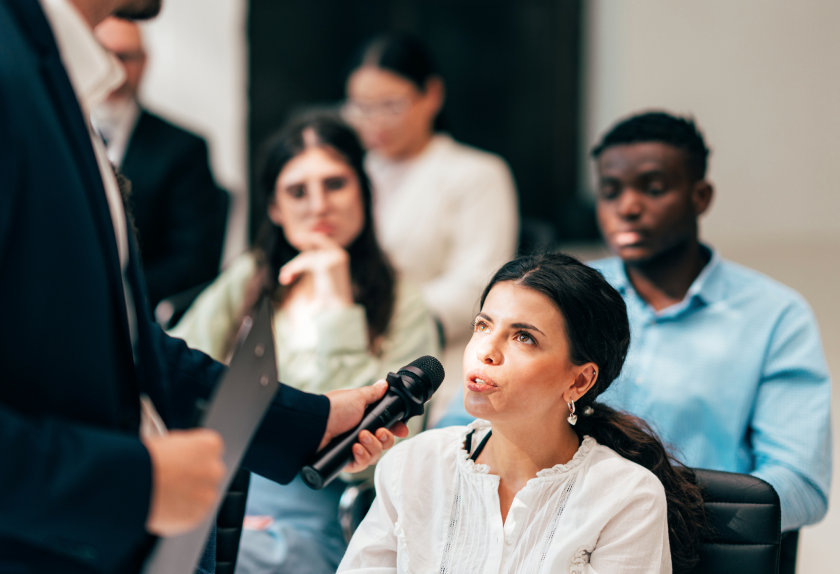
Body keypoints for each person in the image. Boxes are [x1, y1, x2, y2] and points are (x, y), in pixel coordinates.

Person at [0, 0, 404, 572]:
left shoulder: (51, 76)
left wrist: (308, 419)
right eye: (297, 190)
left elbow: (128, 346)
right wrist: (138, 483)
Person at [170, 114, 439, 574]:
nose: (319, 206)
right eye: (298, 191)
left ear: (364, 192)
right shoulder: (251, 279)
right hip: (216, 487)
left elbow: (366, 457)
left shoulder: (404, 304)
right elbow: (176, 370)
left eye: (335, 184)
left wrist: (336, 300)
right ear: (274, 208)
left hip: (318, 510)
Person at [339, 252, 707, 574]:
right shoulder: (412, 463)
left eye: (523, 337)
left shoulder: (627, 496)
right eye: (483, 325)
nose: (487, 351)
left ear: (579, 381)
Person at [586, 111, 833, 533]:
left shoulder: (775, 315)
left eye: (654, 188)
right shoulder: (561, 297)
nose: (627, 207)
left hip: (702, 552)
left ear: (700, 197)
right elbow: (469, 427)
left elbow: (799, 484)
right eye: (611, 191)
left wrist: (655, 513)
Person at [342, 34, 520, 420]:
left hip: (435, 361)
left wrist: (381, 313)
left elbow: (480, 283)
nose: (372, 122)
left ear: (431, 96)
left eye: (389, 106)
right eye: (360, 107)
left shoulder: (476, 174)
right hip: (347, 348)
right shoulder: (347, 176)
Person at [92, 17, 228, 315]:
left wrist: (114, 294)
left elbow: (194, 259)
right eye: (101, 53)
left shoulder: (184, 148)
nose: (113, 68)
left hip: (145, 310)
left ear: (144, 62)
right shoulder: (59, 134)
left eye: (125, 56)